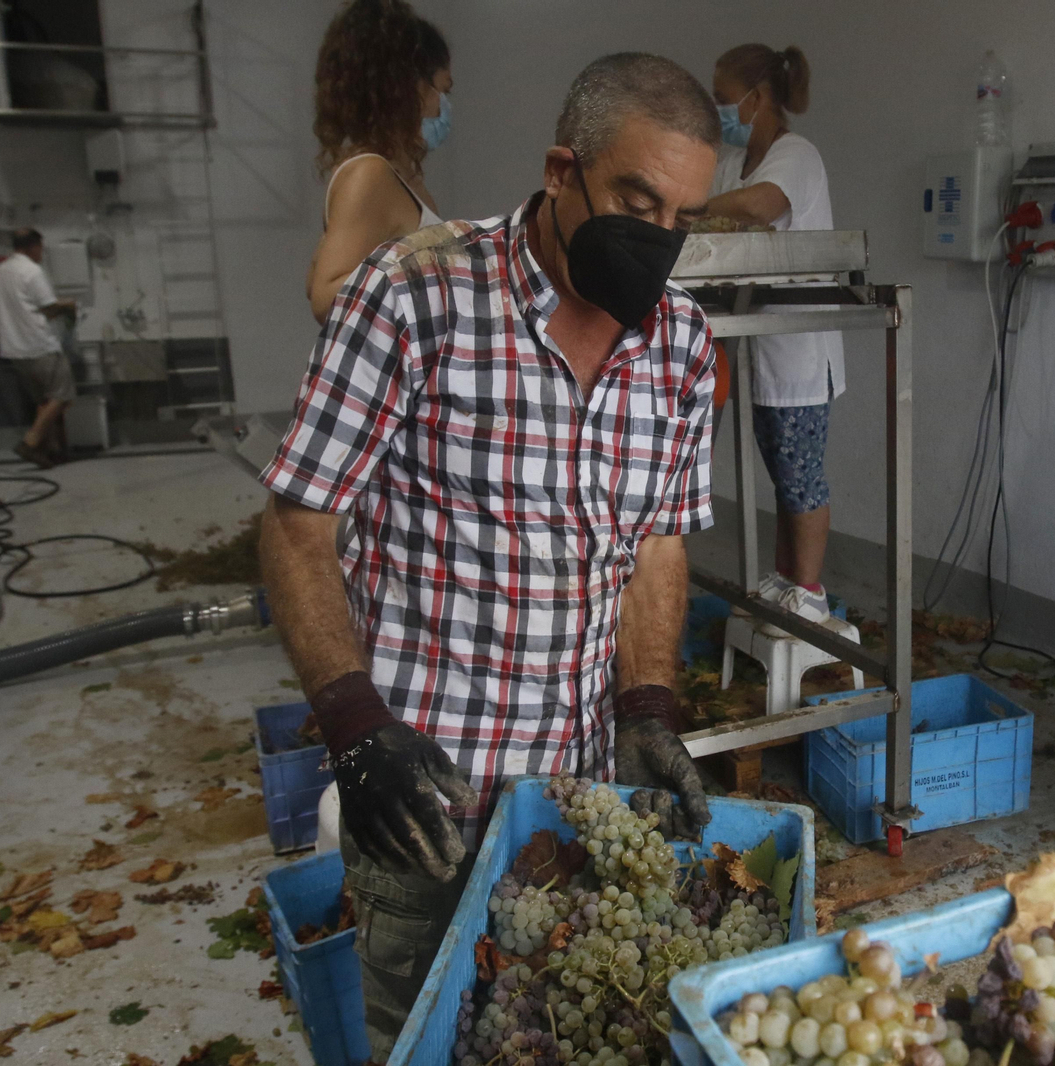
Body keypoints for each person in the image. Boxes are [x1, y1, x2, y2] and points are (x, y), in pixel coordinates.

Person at [258, 53, 721, 1058]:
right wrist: (352, 723)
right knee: (422, 1037)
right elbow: (299, 522)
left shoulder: (680, 347)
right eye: (638, 201)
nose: (658, 241)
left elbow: (657, 539)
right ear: (564, 170)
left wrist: (644, 704)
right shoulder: (415, 294)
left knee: (550, 1032)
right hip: (425, 799)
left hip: (578, 803)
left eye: (683, 220)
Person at [704, 44, 845, 629]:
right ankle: (788, 578)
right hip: (762, 340)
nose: (720, 112)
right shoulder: (734, 161)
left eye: (722, 100)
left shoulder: (796, 155)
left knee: (800, 470)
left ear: (756, 98)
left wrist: (692, 209)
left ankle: (809, 589)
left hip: (800, 346)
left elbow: (759, 207)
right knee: (777, 465)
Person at [306, 0, 451, 323]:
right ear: (411, 89)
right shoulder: (368, 174)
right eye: (443, 91)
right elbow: (325, 295)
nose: (443, 108)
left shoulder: (397, 175)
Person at [0, 227, 77, 469]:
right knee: (62, 396)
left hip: (14, 347)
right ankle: (30, 443)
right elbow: (48, 308)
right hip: (39, 344)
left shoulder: (3, 269)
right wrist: (68, 305)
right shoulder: (32, 271)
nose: (42, 253)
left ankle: (51, 450)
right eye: (40, 248)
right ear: (32, 246)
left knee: (43, 401)